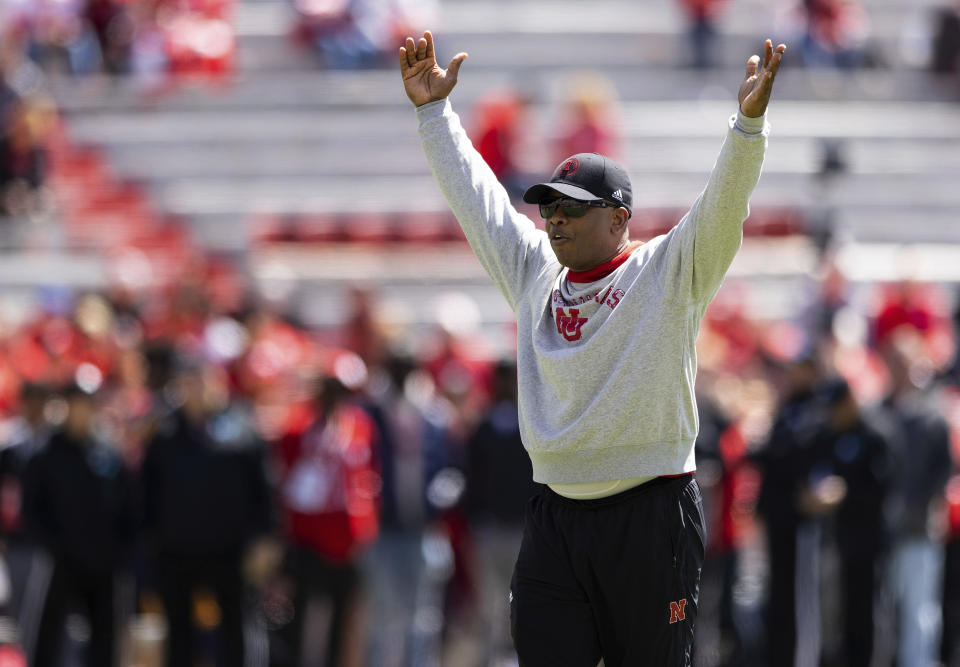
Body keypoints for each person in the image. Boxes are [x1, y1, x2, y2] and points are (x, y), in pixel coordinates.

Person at [399, 29, 785, 665]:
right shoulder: (534, 274)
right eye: (549, 207)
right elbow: (480, 205)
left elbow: (724, 206)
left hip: (651, 511)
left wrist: (747, 128)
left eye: (573, 209)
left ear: (619, 217)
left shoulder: (667, 270)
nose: (554, 220)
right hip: (555, 514)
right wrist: (434, 114)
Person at [142, 359, 274, 667]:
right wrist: (149, 542)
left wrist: (265, 539)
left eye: (204, 381)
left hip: (229, 550)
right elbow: (147, 491)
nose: (198, 389)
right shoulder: (164, 433)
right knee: (178, 633)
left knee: (235, 628)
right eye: (190, 381)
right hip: (176, 549)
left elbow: (264, 488)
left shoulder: (242, 429)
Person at [22, 381, 138, 667]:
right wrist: (52, 545)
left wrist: (120, 549)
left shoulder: (108, 453)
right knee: (47, 636)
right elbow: (31, 509)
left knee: (105, 638)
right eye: (75, 406)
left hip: (104, 562)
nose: (81, 413)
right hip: (61, 561)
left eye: (87, 406)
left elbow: (129, 505)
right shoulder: (45, 453)